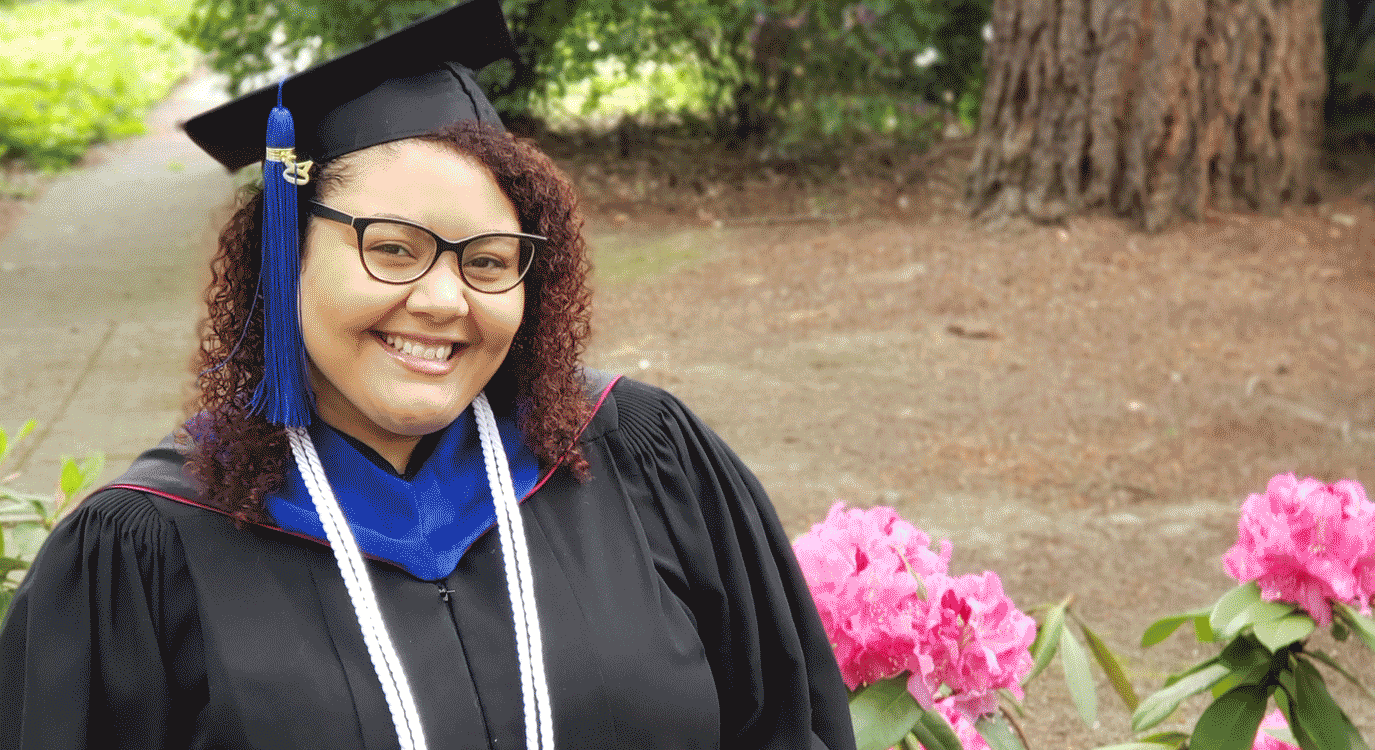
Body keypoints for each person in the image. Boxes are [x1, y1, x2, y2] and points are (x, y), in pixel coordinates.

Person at [0, 3, 855, 749]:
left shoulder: (642, 460)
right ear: (286, 253)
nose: (444, 300)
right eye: (393, 248)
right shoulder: (145, 552)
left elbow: (786, 726)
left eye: (487, 261)